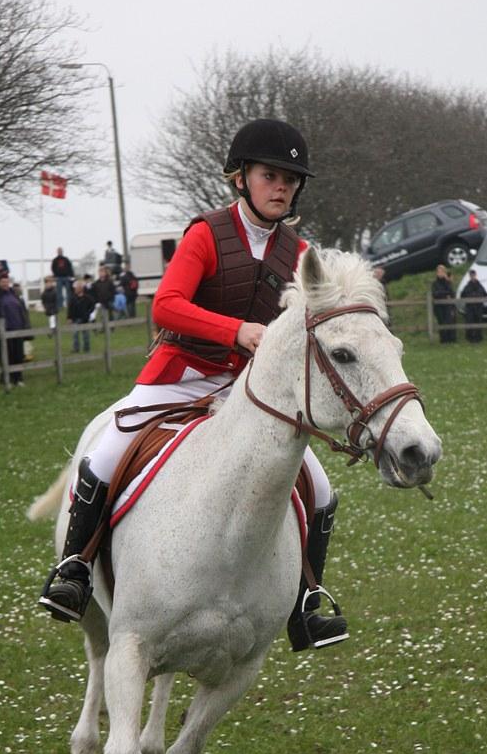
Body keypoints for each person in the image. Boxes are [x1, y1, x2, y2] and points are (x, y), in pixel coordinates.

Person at [39, 118, 348, 654]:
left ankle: (306, 603)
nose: (281, 187)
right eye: (270, 175)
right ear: (240, 177)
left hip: (248, 391)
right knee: (105, 454)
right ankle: (74, 569)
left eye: (291, 179)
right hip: (179, 377)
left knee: (320, 490)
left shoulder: (299, 254)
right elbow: (166, 306)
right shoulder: (206, 234)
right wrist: (236, 331)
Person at [0, 274, 30, 386]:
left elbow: (22, 310)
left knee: (18, 355)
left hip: (17, 329)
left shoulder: (14, 294)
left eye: (6, 281)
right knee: (6, 355)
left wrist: (24, 325)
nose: (5, 284)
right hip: (4, 331)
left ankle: (18, 377)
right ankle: (7, 378)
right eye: (3, 282)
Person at [431, 265, 457, 344]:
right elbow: (435, 294)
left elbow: (452, 293)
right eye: (439, 272)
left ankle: (451, 339)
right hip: (438, 307)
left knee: (449, 321)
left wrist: (447, 283)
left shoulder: (448, 283)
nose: (440, 273)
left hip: (448, 306)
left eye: (442, 272)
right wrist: (445, 294)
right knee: (441, 322)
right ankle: (443, 340)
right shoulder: (435, 283)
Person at [460, 269, 487, 343]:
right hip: (470, 307)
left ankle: (478, 337)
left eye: (473, 275)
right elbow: (462, 295)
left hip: (478, 307)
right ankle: (470, 337)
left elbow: (485, 294)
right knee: (470, 321)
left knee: (478, 321)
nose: (472, 277)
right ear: (470, 276)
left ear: (475, 275)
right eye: (471, 275)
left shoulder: (479, 286)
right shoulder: (467, 286)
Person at [68, 279, 95, 353]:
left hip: (85, 319)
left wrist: (88, 313)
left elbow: (92, 306)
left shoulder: (88, 298)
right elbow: (70, 308)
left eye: (77, 287)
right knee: (75, 335)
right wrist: (69, 318)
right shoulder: (73, 298)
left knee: (86, 335)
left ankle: (86, 349)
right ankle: (76, 348)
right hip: (75, 319)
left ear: (81, 288)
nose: (75, 289)